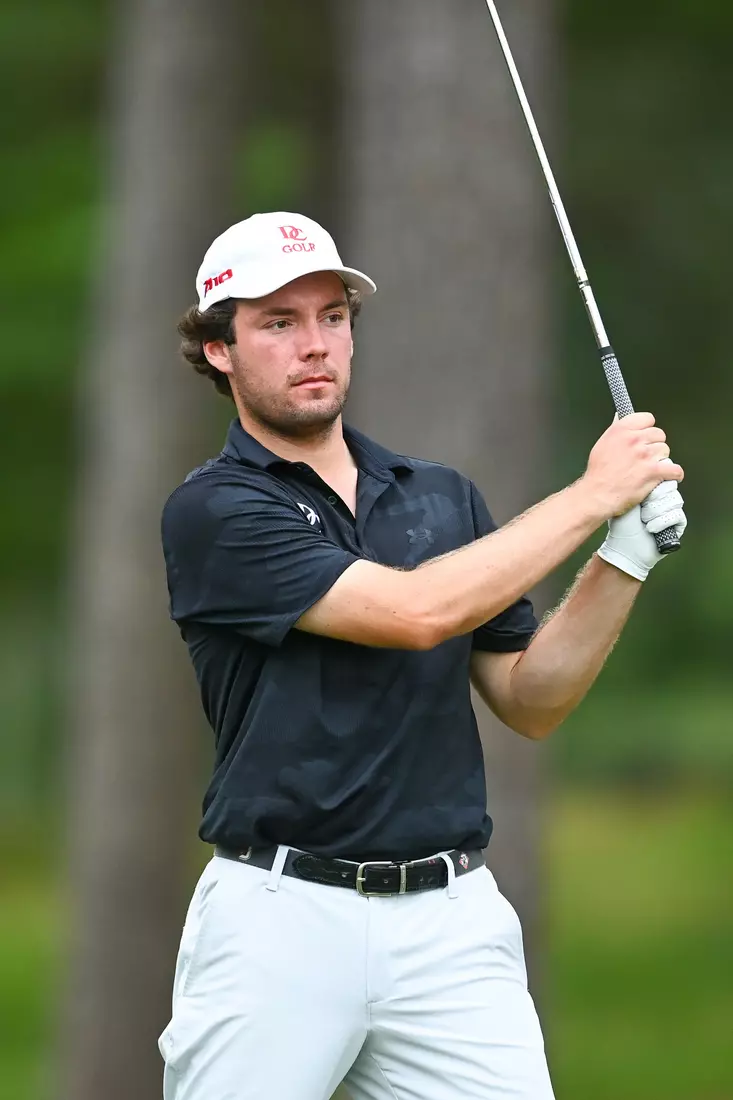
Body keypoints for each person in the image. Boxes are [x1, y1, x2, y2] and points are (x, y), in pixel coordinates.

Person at [158, 211, 686, 1100]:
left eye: (331, 316)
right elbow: (416, 611)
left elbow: (531, 698)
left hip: (450, 925)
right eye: (277, 324)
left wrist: (622, 554)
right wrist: (592, 494)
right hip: (280, 920)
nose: (313, 344)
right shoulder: (214, 511)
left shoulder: (439, 497)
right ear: (220, 350)